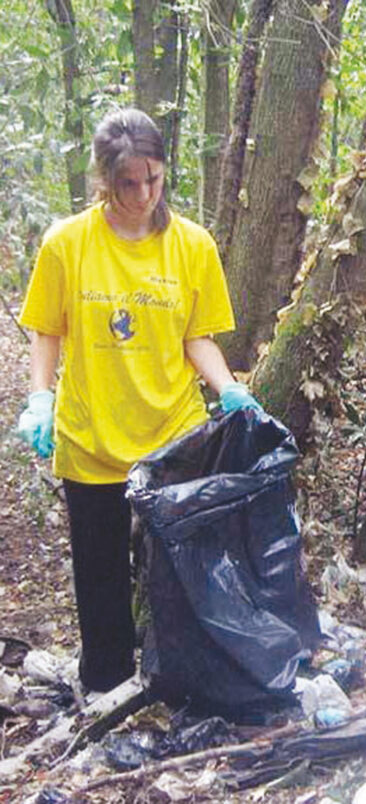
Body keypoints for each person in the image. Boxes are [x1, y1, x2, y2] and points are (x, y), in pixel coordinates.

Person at [15, 108, 260, 694]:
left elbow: (196, 336)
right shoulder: (66, 243)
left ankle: (176, 679)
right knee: (99, 577)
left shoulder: (191, 246)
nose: (144, 193)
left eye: (154, 179)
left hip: (172, 434)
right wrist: (39, 399)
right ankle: (106, 687)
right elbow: (47, 329)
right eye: (129, 182)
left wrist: (226, 387)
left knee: (176, 574)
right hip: (91, 434)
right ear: (104, 179)